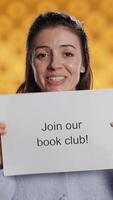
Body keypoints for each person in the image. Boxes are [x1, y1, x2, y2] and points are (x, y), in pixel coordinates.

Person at [0, 11, 113, 200]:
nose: (55, 64)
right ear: (32, 64)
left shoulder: (107, 119)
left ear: (83, 63)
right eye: (42, 55)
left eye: (67, 53)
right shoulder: (7, 126)